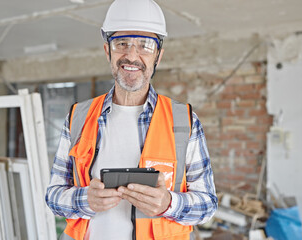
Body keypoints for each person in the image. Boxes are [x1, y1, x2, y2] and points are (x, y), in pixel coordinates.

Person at [45, 0, 217, 239]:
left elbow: (207, 204)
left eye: (145, 45)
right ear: (108, 51)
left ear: (158, 56)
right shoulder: (78, 117)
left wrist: (169, 203)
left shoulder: (184, 121)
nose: (132, 55)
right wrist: (84, 199)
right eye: (122, 43)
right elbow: (53, 196)